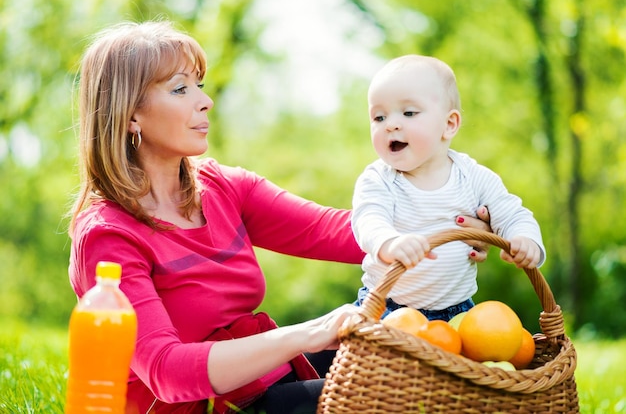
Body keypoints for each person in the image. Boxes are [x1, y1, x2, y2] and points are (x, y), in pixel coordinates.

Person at [67, 22, 493, 414]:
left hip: (258, 387)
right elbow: (167, 371)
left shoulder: (223, 188)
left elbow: (339, 232)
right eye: (180, 90)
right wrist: (311, 332)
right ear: (130, 114)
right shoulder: (108, 235)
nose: (205, 100)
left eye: (199, 84)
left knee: (417, 369)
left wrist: (450, 231)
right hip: (190, 406)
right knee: (379, 399)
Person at [352, 54, 546, 322]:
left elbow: (512, 213)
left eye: (409, 113)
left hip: (457, 312)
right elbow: (368, 219)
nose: (391, 124)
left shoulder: (474, 178)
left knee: (468, 358)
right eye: (379, 117)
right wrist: (390, 242)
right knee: (379, 362)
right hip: (386, 307)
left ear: (449, 124)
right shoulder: (379, 179)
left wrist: (525, 239)